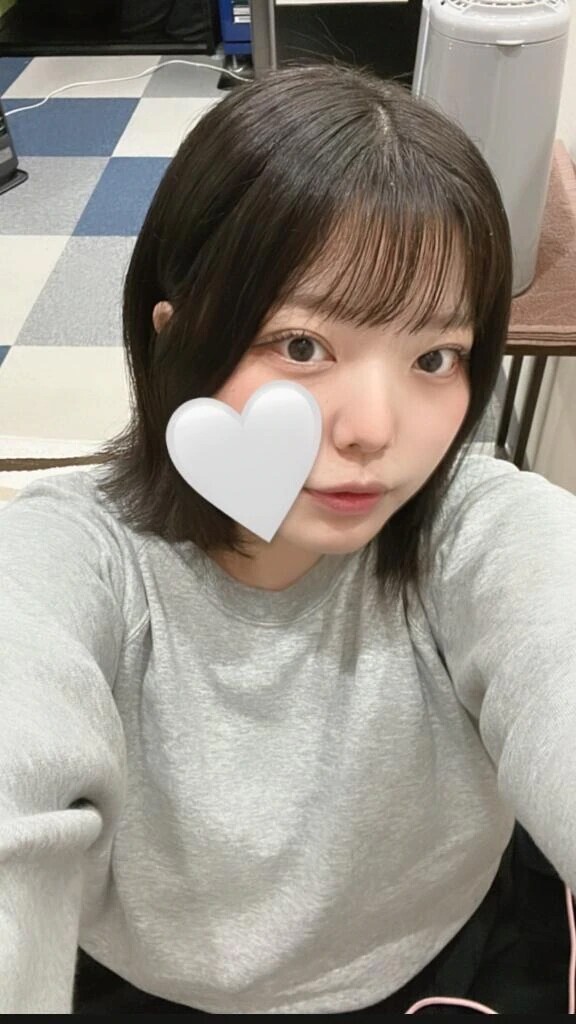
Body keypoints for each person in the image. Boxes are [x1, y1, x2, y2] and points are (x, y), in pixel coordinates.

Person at [1, 60, 574, 1015]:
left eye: (435, 356)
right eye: (302, 345)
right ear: (177, 339)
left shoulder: (474, 534)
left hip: (438, 970)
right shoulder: (70, 559)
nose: (374, 431)